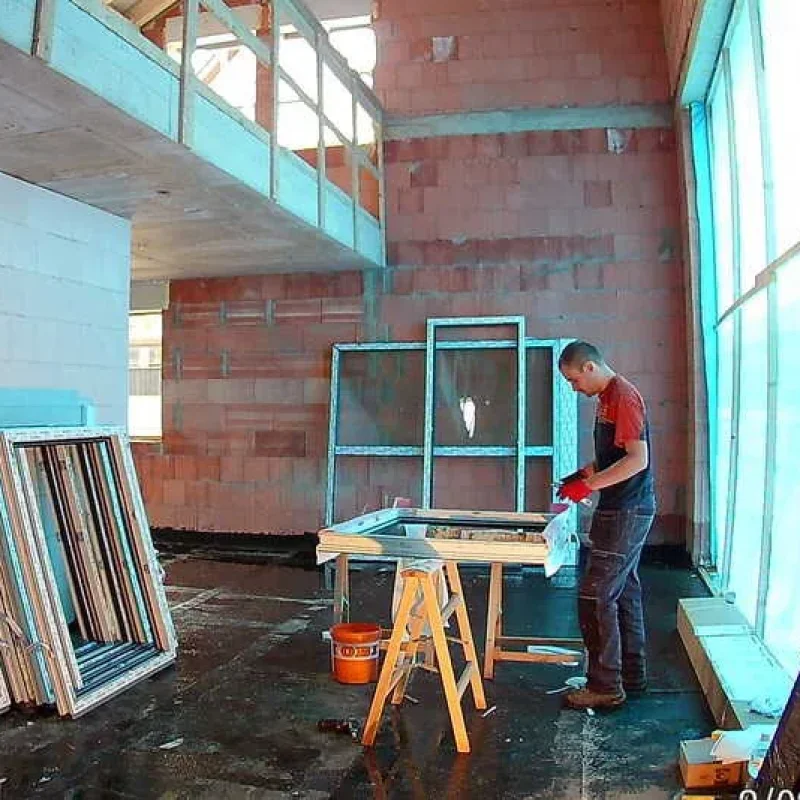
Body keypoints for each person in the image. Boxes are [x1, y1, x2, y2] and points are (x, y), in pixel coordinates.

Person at [556, 340, 656, 710]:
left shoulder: (624, 397)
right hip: (621, 506)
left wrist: (588, 486)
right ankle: (632, 674)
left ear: (589, 368)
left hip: (628, 509)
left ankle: (605, 686)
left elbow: (636, 461)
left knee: (594, 594)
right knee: (623, 591)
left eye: (573, 380)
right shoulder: (607, 400)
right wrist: (579, 476)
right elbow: (611, 458)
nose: (574, 388)